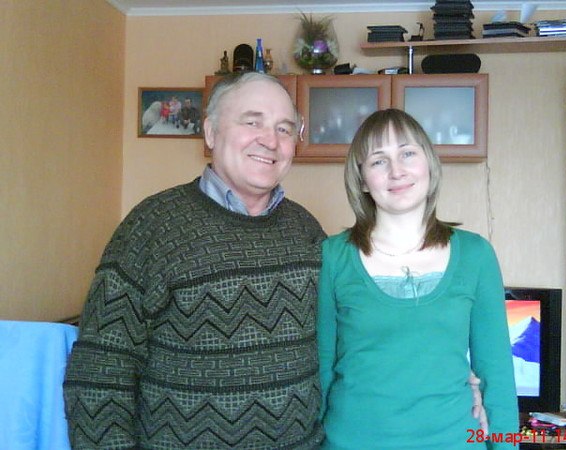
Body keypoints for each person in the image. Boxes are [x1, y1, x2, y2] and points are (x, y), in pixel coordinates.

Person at [63, 72, 326, 449]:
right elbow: (99, 372)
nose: (270, 140)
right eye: (252, 122)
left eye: (284, 129)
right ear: (210, 133)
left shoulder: (306, 228)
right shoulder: (152, 225)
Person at [317, 109, 518, 449]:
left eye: (407, 153)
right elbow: (321, 371)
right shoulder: (332, 256)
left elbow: (497, 375)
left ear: (429, 164)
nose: (397, 170)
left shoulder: (476, 255)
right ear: (362, 179)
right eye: (378, 161)